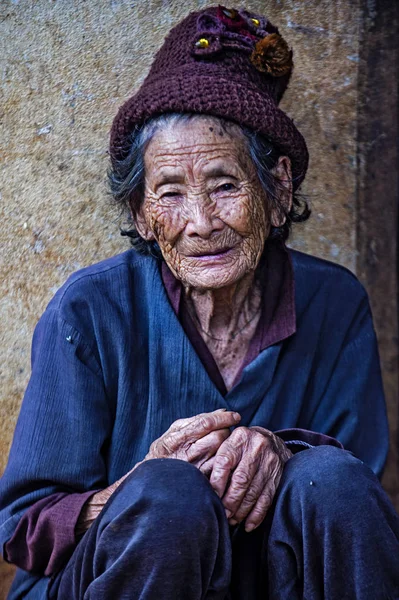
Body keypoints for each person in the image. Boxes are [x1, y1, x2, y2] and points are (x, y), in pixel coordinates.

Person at [1, 5, 398, 599]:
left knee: (330, 481)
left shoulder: (334, 304)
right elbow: (22, 525)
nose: (200, 223)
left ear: (278, 189)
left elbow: (357, 498)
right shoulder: (89, 312)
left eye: (224, 185)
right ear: (140, 212)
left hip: (268, 581)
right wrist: (135, 490)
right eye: (169, 193)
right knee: (168, 498)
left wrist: (280, 452)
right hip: (115, 581)